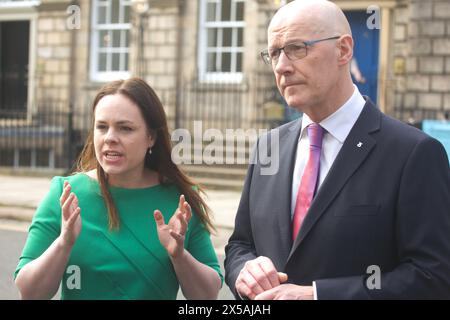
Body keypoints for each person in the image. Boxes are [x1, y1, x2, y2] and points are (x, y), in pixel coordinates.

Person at [224, 0, 450, 300]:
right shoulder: (268, 147)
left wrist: (317, 295)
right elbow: (240, 245)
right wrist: (245, 271)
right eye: (275, 53)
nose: (281, 66)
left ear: (343, 50)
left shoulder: (415, 153)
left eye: (296, 48)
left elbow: (432, 277)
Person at [14, 78, 223, 299]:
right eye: (102, 127)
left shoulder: (181, 201)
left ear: (151, 137)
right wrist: (63, 244)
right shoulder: (64, 193)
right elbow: (29, 292)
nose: (110, 138)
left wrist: (179, 256)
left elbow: (207, 296)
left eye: (125, 128)